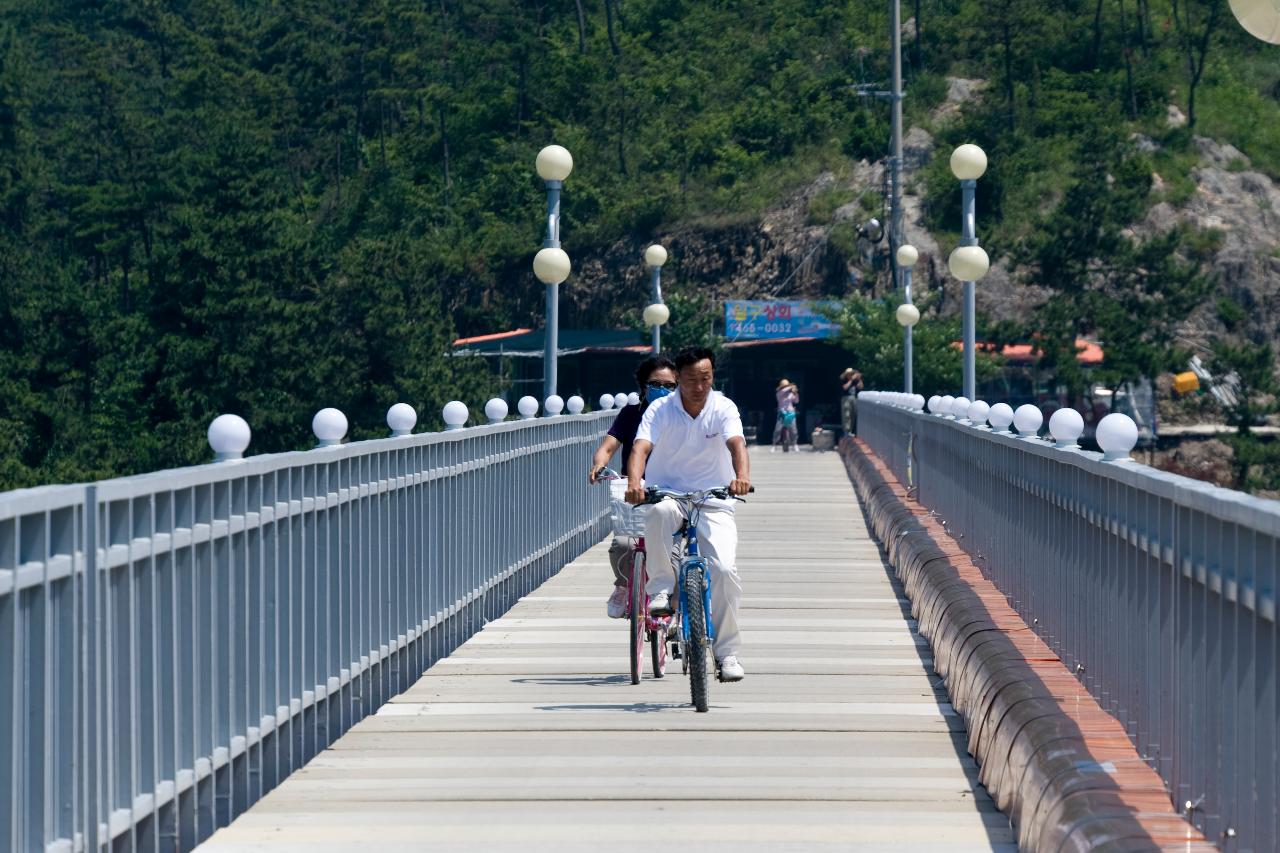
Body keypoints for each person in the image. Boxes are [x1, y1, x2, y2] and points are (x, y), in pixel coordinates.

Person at [625, 346, 752, 682]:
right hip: (668, 493)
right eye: (692, 379)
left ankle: (727, 655)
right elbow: (640, 447)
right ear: (678, 378)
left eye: (706, 379)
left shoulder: (723, 407)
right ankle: (661, 589)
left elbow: (736, 443)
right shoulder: (660, 410)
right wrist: (635, 483)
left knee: (724, 571)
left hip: (714, 498)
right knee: (657, 514)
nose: (699, 387)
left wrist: (741, 478)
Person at [588, 355, 678, 618]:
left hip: (673, 491)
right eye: (656, 383)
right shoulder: (631, 414)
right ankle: (624, 584)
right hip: (635, 491)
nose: (663, 390)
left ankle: (677, 614)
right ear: (643, 386)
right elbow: (608, 445)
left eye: (670, 385)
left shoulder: (681, 418)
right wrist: (599, 464)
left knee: (675, 555)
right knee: (624, 545)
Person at [772, 378, 799, 453]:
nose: (785, 387)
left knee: (793, 430)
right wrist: (791, 386)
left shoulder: (790, 394)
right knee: (778, 430)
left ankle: (794, 444)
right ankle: (774, 445)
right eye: (784, 386)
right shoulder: (779, 393)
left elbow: (796, 401)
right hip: (781, 412)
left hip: (790, 412)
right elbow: (783, 391)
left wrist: (795, 392)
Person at [840, 367, 863, 435]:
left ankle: (851, 431)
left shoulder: (855, 381)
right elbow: (845, 387)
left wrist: (859, 379)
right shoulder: (843, 380)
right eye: (849, 374)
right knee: (847, 415)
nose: (850, 375)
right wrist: (851, 380)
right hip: (846, 398)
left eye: (852, 374)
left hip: (854, 398)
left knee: (853, 415)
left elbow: (861, 387)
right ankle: (846, 431)